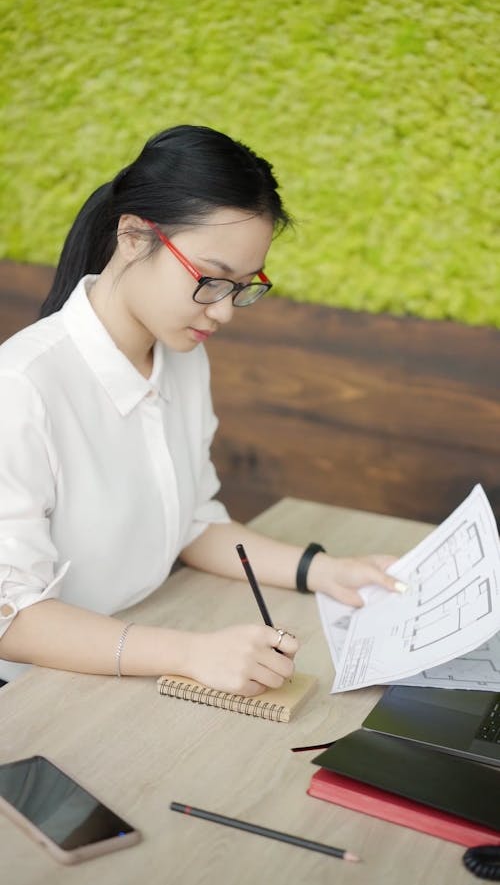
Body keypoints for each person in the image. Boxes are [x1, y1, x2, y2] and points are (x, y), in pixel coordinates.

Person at [0, 124, 400, 694]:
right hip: (35, 690)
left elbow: (191, 520)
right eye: (212, 279)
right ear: (135, 237)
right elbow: (11, 618)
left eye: (243, 286)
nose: (226, 311)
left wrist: (324, 570)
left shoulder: (182, 355)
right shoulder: (21, 386)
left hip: (132, 651)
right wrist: (191, 653)